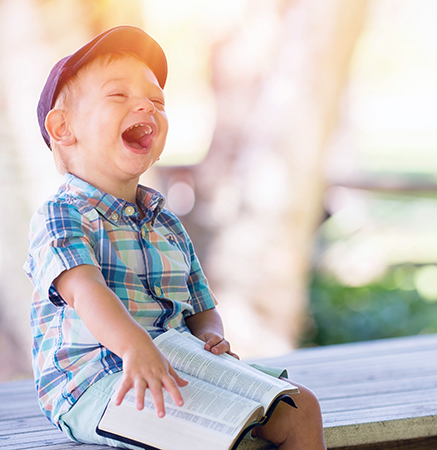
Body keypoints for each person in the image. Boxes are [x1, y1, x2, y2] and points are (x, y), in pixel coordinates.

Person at [24, 25, 326, 450]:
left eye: (157, 101)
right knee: (215, 431)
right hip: (99, 383)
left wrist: (209, 334)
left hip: (180, 362)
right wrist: (136, 348)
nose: (145, 106)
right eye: (118, 95)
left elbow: (201, 306)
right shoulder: (62, 215)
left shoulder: (166, 223)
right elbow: (86, 291)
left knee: (300, 407)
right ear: (62, 128)